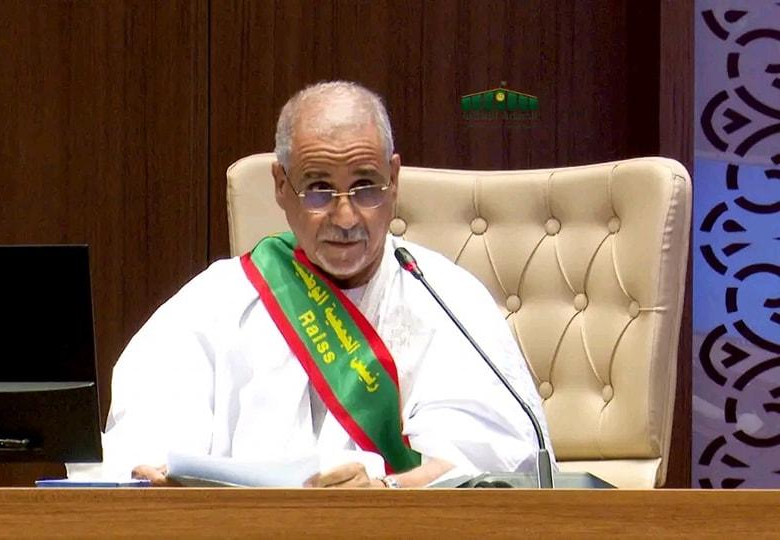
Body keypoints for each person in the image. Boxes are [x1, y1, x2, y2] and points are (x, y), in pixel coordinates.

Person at [98, 81, 554, 488]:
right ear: (281, 185)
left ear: (394, 180)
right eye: (318, 188)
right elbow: (145, 444)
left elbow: (492, 465)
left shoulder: (447, 299)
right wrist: (155, 472)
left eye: (366, 186)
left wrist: (387, 493)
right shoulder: (214, 303)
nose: (346, 217)